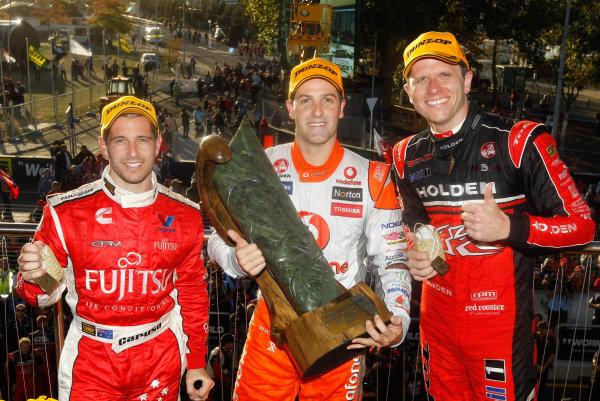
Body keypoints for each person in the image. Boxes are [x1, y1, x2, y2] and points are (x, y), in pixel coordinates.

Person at [393, 31, 595, 401]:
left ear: (468, 81)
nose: (433, 87)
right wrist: (415, 251)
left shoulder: (521, 140)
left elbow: (583, 227)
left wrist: (509, 227)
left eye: (445, 74)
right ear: (409, 92)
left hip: (500, 332)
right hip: (436, 329)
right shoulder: (404, 154)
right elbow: (413, 220)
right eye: (421, 78)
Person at [207, 58, 411, 400]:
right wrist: (235, 260)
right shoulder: (264, 164)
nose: (317, 111)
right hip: (273, 326)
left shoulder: (373, 176)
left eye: (328, 99)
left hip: (344, 332)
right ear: (290, 108)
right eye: (305, 100)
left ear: (342, 107)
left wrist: (399, 320)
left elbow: (393, 261)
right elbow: (217, 239)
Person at [16, 96, 214, 400]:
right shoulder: (64, 211)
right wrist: (35, 275)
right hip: (92, 361)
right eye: (120, 140)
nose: (133, 152)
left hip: (161, 357)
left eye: (143, 140)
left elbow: (192, 293)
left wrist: (198, 362)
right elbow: (44, 295)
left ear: (159, 143)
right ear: (103, 146)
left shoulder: (186, 214)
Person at [207, 333, 235, 401]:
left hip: (218, 382)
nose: (234, 345)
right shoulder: (217, 353)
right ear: (227, 343)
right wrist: (228, 380)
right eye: (232, 343)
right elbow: (217, 373)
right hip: (212, 383)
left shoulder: (226, 352)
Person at [534, 321, 556, 401]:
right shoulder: (533, 337)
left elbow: (553, 354)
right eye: (544, 329)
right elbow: (528, 353)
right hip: (533, 367)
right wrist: (536, 365)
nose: (546, 331)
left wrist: (544, 367)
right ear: (540, 329)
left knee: (541, 388)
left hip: (544, 368)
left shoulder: (551, 339)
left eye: (547, 329)